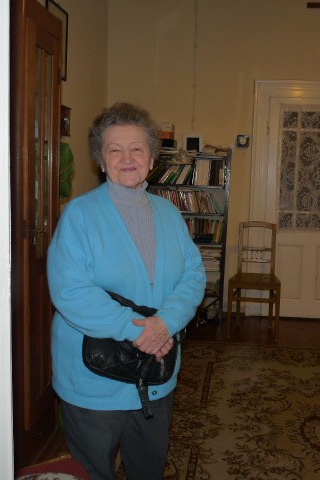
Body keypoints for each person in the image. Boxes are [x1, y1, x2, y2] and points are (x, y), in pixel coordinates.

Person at [47, 102, 206, 479]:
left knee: (149, 466)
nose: (127, 158)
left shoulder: (169, 214)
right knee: (94, 470)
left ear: (151, 159)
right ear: (101, 161)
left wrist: (165, 324)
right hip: (94, 375)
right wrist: (141, 331)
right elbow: (71, 291)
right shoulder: (79, 215)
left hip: (156, 371)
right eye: (115, 149)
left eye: (137, 148)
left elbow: (194, 275)